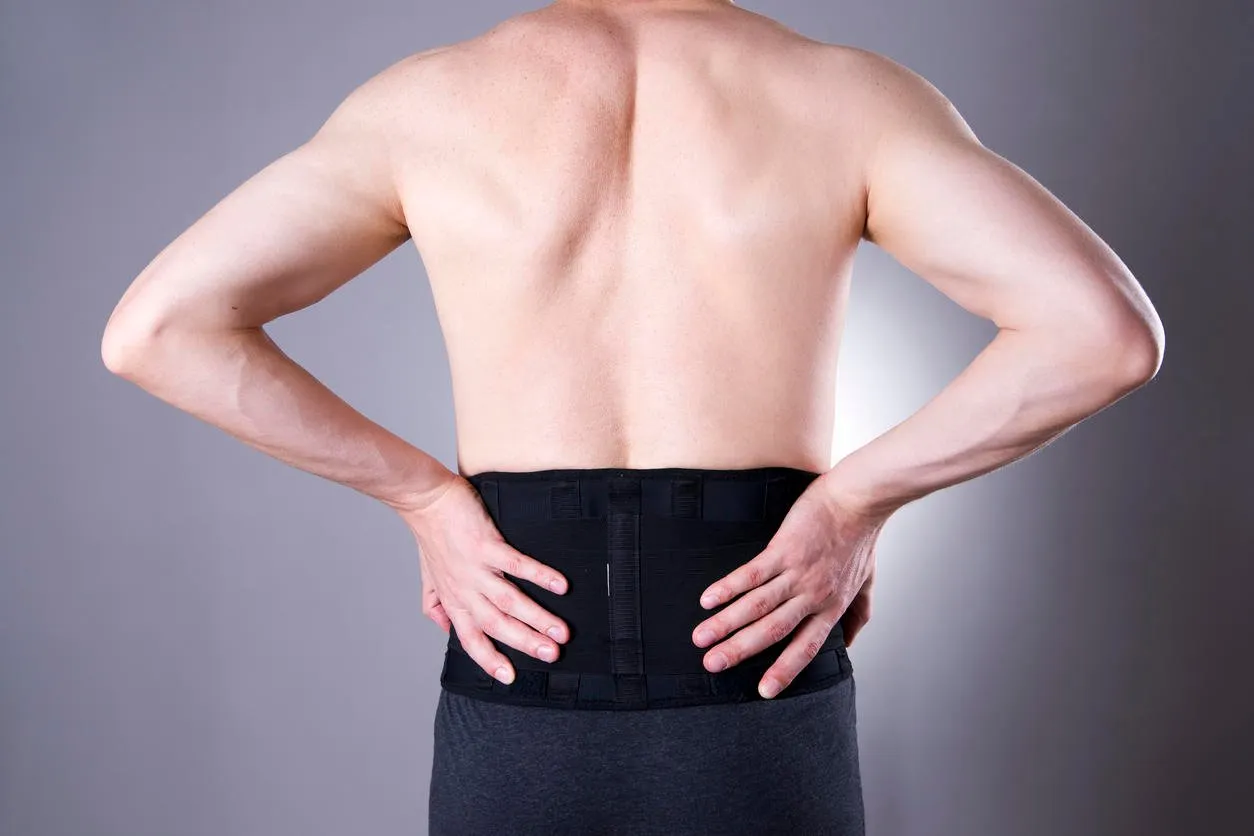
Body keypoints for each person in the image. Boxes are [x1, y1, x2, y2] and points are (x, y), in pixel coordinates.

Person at [99, 0, 1165, 833]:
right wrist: (852, 501)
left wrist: (420, 492)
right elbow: (1105, 331)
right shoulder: (847, 100)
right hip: (756, 697)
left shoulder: (423, 108)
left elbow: (158, 328)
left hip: (519, 703)